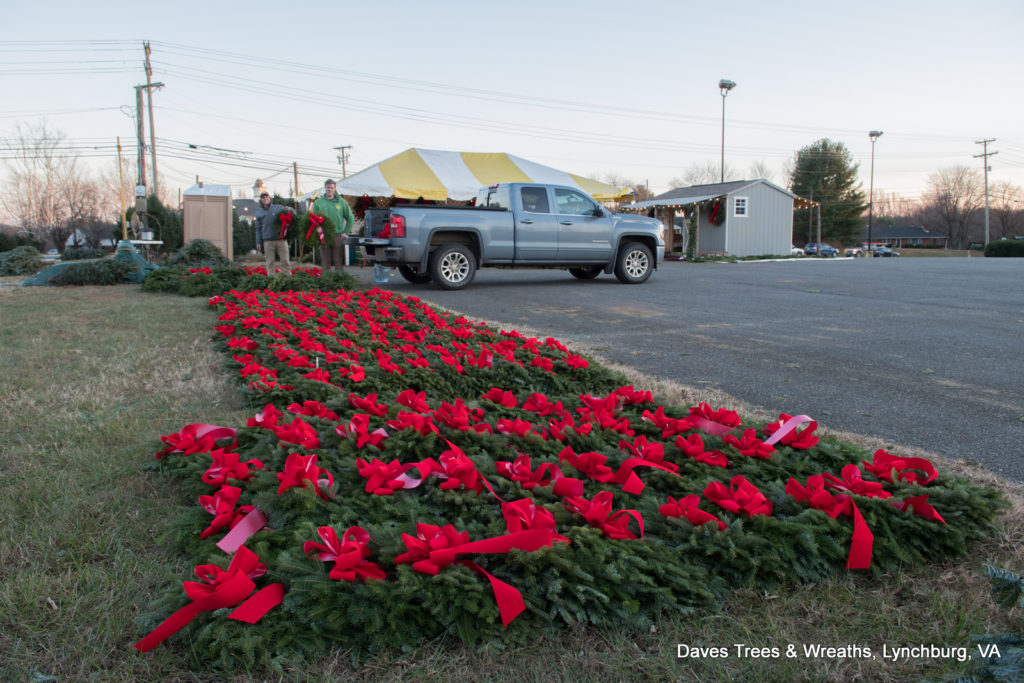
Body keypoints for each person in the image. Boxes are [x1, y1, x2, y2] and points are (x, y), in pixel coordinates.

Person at [311, 179, 355, 271]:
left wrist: (345, 232)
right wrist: (317, 233)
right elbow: (313, 220)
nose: (329, 189)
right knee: (325, 261)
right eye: (328, 187)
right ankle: (326, 281)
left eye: (332, 187)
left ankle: (339, 281)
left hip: (338, 235)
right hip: (323, 236)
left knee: (338, 261)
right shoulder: (318, 203)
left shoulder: (342, 202)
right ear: (325, 188)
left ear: (335, 189)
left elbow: (350, 218)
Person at [254, 191, 294, 275]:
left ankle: (288, 278)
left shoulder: (279, 208)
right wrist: (258, 241)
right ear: (261, 200)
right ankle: (271, 279)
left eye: (266, 197)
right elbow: (258, 229)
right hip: (268, 241)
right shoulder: (258, 213)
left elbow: (292, 213)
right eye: (263, 197)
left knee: (285, 261)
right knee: (270, 262)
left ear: (269, 198)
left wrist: (290, 209)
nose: (265, 199)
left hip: (281, 239)